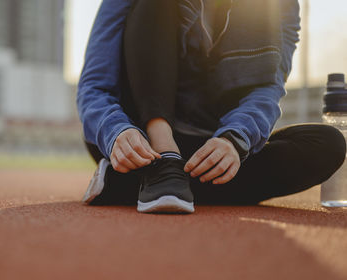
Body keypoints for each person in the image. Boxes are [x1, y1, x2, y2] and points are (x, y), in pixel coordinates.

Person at [77, 0, 346, 214]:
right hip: (139, 141)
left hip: (207, 146)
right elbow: (95, 84)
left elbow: (268, 87)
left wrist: (233, 140)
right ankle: (164, 160)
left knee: (328, 143)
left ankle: (134, 184)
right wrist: (115, 131)